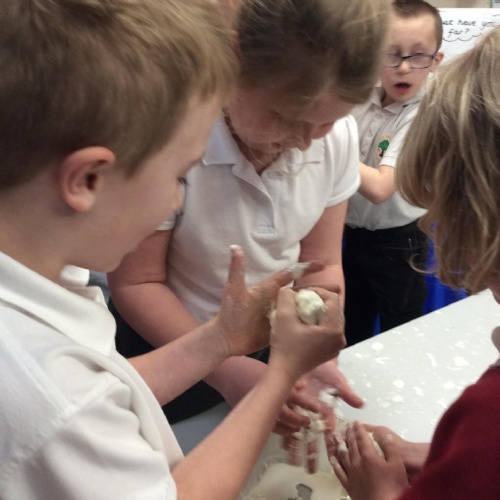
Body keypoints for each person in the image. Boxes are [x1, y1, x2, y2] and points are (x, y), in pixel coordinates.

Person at [0, 1, 348, 499]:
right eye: (179, 176)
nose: (177, 200)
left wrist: (219, 339)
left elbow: (112, 384)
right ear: (88, 179)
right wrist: (279, 380)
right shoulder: (52, 395)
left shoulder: (41, 282)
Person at [107, 0, 391, 433]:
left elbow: (321, 264)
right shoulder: (175, 135)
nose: (305, 142)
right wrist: (226, 369)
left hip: (266, 345)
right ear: (234, 61)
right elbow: (137, 282)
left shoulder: (332, 140)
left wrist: (315, 353)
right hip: (166, 346)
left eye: (329, 121)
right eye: (285, 116)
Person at [331, 26, 500, 499]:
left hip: (390, 243)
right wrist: (442, 454)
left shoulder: (486, 415)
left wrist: (380, 494)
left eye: (440, 209)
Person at [343, 0, 444, 345]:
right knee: (350, 323)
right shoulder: (362, 101)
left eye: (418, 56)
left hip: (400, 243)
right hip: (354, 234)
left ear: (436, 61)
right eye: (392, 54)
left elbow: (381, 188)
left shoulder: (424, 113)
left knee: (401, 330)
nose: (403, 67)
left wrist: (328, 149)